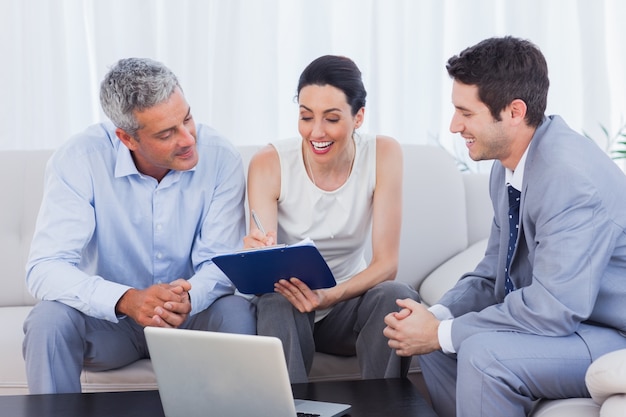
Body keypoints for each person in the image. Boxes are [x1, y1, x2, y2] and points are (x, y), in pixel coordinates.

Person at [383, 36, 626, 417]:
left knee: (481, 353)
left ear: (514, 111)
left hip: (611, 335)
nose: (453, 125)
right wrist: (437, 318)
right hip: (575, 325)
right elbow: (490, 274)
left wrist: (442, 333)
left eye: (466, 113)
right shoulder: (509, 166)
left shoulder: (570, 179)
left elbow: (554, 309)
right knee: (429, 344)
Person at [23, 58, 256, 394]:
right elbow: (45, 267)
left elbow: (219, 263)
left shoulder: (221, 157)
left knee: (236, 310)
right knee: (48, 320)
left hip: (191, 318)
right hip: (111, 323)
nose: (188, 138)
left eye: (187, 118)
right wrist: (127, 300)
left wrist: (187, 299)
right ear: (126, 138)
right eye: (167, 133)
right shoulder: (78, 160)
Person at [244, 55, 419, 384]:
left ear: (359, 117)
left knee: (395, 293)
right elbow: (262, 254)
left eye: (332, 118)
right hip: (291, 307)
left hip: (347, 308)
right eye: (306, 117)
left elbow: (386, 263)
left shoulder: (384, 154)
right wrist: (256, 252)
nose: (316, 132)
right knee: (275, 302)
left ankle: (383, 409)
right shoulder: (269, 162)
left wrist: (330, 296)